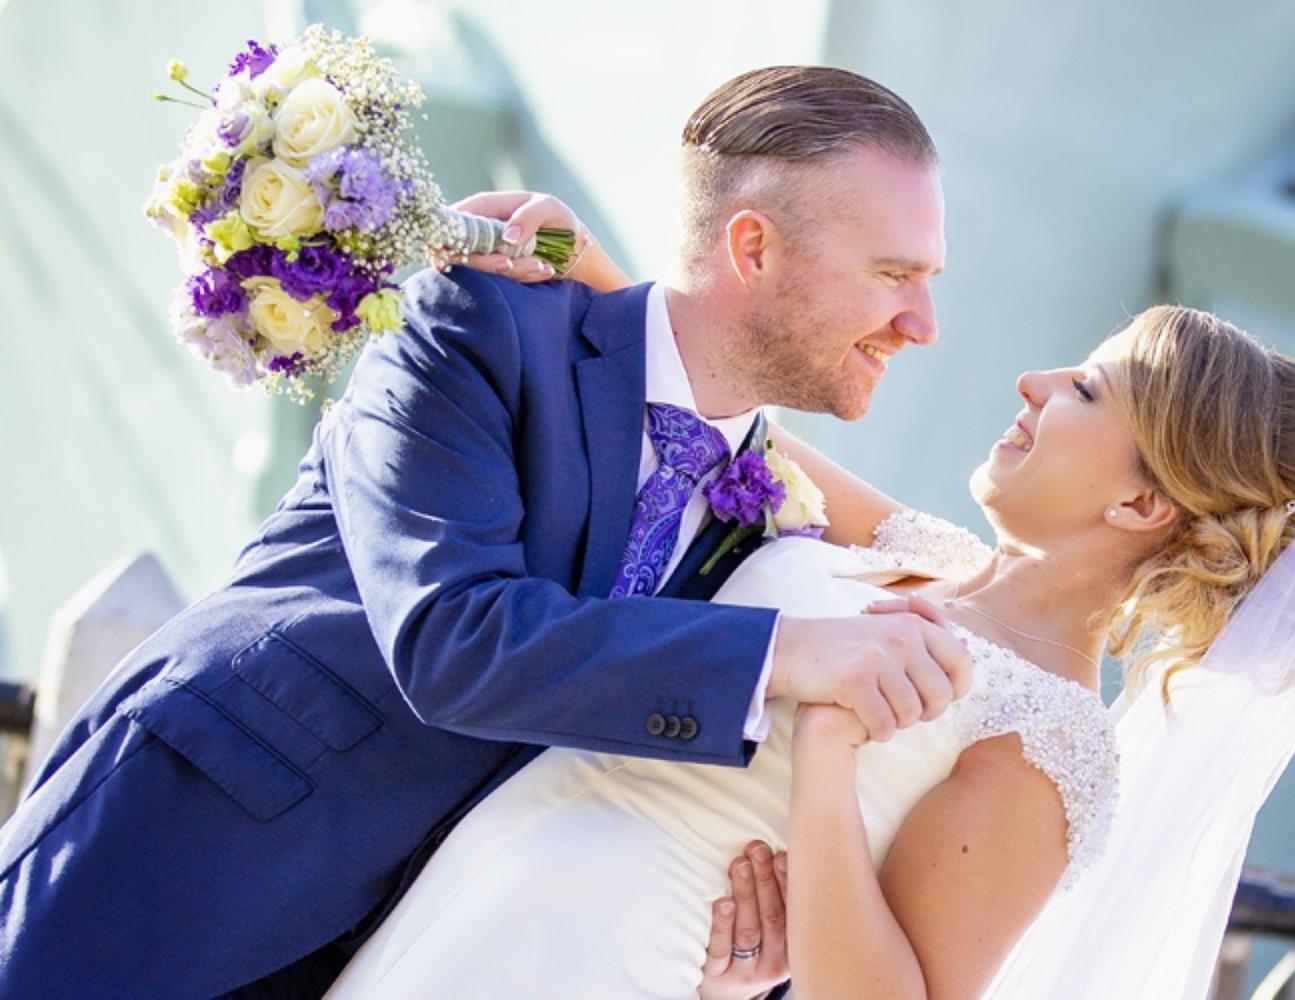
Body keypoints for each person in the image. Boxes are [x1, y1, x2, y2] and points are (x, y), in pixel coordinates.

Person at [0, 66, 973, 998]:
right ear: (752, 248)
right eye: (895, 273)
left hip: (398, 956)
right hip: (173, 870)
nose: (922, 322)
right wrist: (787, 654)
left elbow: (992, 576)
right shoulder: (477, 325)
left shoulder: (767, 508)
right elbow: (452, 636)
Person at [327, 210, 1295, 995]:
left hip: (607, 958)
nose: (1033, 381)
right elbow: (734, 427)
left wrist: (824, 755)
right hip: (482, 879)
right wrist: (585, 261)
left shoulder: (1051, 741)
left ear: (1139, 499)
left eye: (1087, 391)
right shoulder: (920, 553)